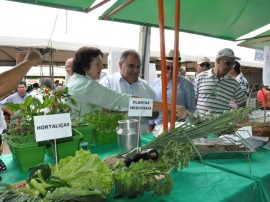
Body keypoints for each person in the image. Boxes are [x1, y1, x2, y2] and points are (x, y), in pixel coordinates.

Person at [66, 46, 189, 122]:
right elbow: (122, 100)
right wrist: (169, 106)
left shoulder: (78, 81)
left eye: (138, 66)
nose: (101, 67)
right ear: (85, 66)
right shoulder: (87, 86)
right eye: (97, 64)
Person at [99, 49, 158, 132]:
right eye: (131, 66)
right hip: (112, 138)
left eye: (138, 67)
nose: (136, 70)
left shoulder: (147, 88)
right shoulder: (107, 83)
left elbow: (156, 113)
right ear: (120, 65)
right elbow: (100, 111)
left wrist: (142, 109)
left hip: (140, 140)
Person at [194, 48, 247, 118]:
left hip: (221, 127)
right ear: (218, 61)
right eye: (228, 63)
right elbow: (192, 101)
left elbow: (243, 102)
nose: (230, 67)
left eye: (232, 64)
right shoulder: (200, 78)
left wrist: (236, 115)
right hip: (200, 126)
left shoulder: (234, 84)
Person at [150, 49, 196, 128]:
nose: (170, 71)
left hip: (178, 130)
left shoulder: (187, 85)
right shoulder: (155, 83)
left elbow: (192, 109)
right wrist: (150, 125)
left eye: (174, 67)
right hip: (157, 129)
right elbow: (152, 106)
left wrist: (187, 127)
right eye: (167, 67)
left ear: (179, 66)